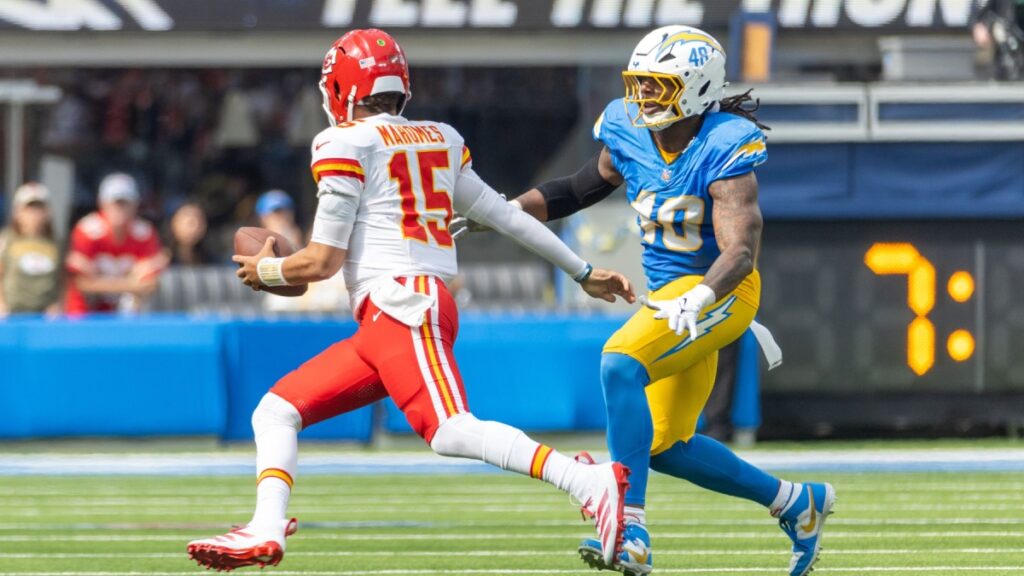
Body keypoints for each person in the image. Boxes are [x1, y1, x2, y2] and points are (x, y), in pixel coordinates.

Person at [186, 29, 635, 572]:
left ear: (342, 88)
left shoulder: (341, 143)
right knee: (277, 410)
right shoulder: (440, 138)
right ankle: (266, 525)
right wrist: (581, 270)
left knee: (449, 429)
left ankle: (586, 479)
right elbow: (507, 214)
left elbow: (322, 262)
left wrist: (270, 269)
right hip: (391, 314)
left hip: (403, 304)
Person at [476, 26, 834, 576]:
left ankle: (629, 527)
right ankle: (795, 502)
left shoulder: (724, 143)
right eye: (639, 84)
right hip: (666, 297)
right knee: (664, 445)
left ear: (694, 90)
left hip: (722, 290)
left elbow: (740, 252)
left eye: (658, 86)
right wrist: (500, 212)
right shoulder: (627, 129)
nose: (643, 98)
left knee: (619, 365)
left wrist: (701, 295)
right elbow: (576, 189)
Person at [64, 173, 168, 315]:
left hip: (128, 312)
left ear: (135, 205)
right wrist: (130, 283)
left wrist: (99, 281)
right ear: (102, 204)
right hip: (88, 312)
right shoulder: (87, 231)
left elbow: (151, 284)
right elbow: (80, 283)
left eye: (124, 203)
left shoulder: (145, 234)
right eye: (114, 203)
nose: (119, 209)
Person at [0, 183, 62, 316]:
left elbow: (62, 277)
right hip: (12, 312)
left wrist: (58, 303)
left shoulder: (55, 242)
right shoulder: (7, 239)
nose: (34, 214)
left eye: (39, 208)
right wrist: (1, 303)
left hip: (45, 314)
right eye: (29, 208)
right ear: (17, 212)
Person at [166, 201, 215, 266]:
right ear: (174, 223)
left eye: (200, 223)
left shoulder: (209, 258)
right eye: (191, 223)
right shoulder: (162, 257)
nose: (196, 228)